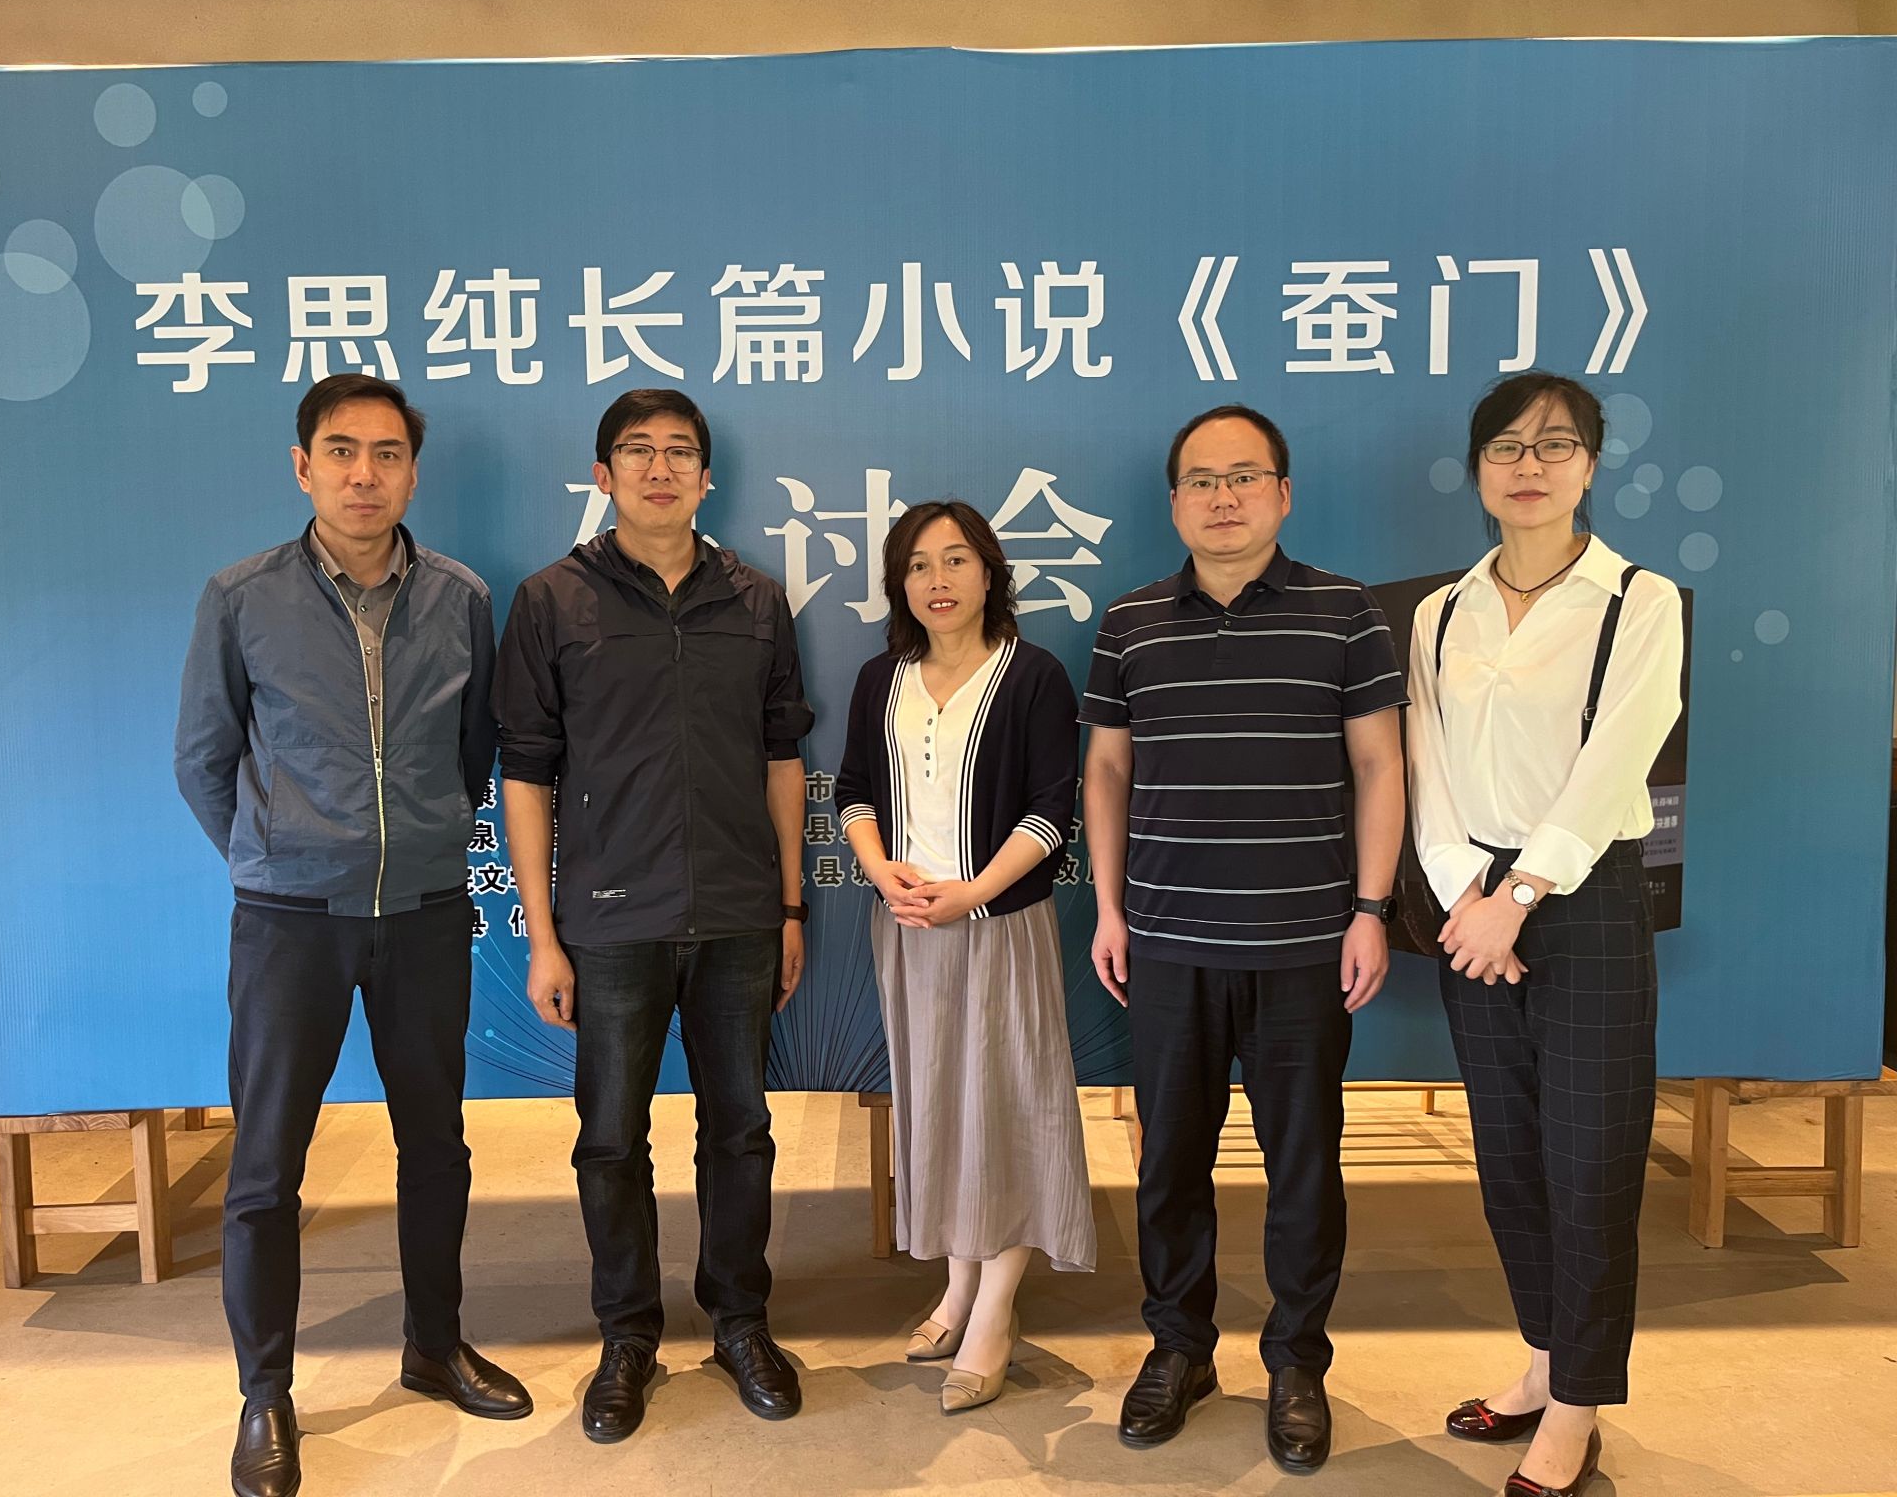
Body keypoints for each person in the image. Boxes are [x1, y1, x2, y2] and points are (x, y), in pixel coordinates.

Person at [175, 374, 529, 1497]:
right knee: (266, 1165)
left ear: (412, 472)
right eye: (340, 451)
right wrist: (278, 853)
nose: (363, 474)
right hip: (289, 923)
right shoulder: (241, 597)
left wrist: (421, 839)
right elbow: (204, 757)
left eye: (386, 454)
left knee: (436, 1145)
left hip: (423, 914)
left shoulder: (462, 598)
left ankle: (434, 1346)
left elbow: (473, 753)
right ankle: (265, 1393)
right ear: (303, 467)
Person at [1082, 404, 1406, 1470]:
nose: (1222, 498)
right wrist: (1112, 910)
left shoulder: (1345, 612)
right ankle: (1179, 1349)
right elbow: (1106, 771)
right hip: (1167, 943)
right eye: (1200, 481)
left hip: (1305, 944)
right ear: (1173, 501)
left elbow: (1378, 765)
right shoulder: (1130, 622)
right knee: (1169, 1161)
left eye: (1243, 477)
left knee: (1303, 1166)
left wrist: (1369, 911)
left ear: (1282, 493)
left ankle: (1296, 1362)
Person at [492, 388, 814, 1443]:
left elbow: (781, 758)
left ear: (707, 478)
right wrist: (543, 936)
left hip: (737, 915)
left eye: (680, 452)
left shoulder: (755, 601)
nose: (659, 468)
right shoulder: (552, 601)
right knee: (608, 1140)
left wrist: (788, 906)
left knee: (741, 1132)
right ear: (603, 476)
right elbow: (526, 773)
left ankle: (740, 1322)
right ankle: (626, 1335)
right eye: (637, 451)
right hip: (609, 920)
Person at [1408, 372, 1682, 1497]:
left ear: (1590, 465)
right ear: (1477, 469)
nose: (1530, 466)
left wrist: (1517, 896)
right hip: (1468, 906)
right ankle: (1539, 1363)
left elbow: (1619, 758)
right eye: (1507, 447)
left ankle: (1576, 1409)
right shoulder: (1440, 611)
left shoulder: (1636, 601)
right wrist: (1464, 894)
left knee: (1590, 1163)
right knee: (1510, 1158)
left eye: (1555, 445)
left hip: (1585, 901)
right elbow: (1424, 763)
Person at [834, 500, 1094, 1415]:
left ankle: (994, 1310)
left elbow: (1051, 810)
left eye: (955, 560)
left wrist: (974, 892)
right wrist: (882, 873)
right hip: (908, 927)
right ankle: (956, 1286)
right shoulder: (881, 678)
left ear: (990, 573)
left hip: (998, 924)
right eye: (917, 565)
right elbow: (854, 792)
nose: (937, 581)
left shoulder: (1033, 675)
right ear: (898, 584)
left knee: (1008, 1106)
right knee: (939, 1106)